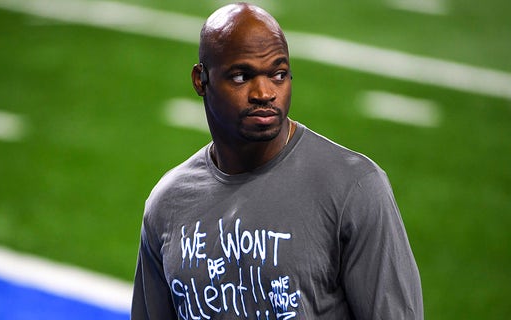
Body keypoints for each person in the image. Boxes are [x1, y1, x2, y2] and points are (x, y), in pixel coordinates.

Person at [132, 2, 423, 319]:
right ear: (201, 80)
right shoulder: (167, 204)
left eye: (278, 74)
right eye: (242, 76)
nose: (264, 92)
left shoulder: (354, 189)